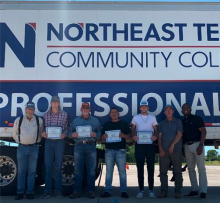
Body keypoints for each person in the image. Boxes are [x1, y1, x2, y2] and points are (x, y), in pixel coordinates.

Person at [69, 102, 101, 199]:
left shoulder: (95, 121)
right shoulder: (75, 121)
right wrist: (72, 135)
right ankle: (77, 191)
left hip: (91, 146)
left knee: (91, 170)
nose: (85, 109)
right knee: (78, 170)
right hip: (78, 146)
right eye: (84, 108)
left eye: (87, 108)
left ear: (90, 109)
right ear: (81, 109)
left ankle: (90, 191)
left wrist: (96, 135)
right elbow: (69, 131)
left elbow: (99, 132)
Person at [12, 101, 43, 200]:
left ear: (34, 110)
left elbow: (40, 133)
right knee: (21, 171)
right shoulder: (19, 120)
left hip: (34, 148)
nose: (30, 111)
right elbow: (14, 133)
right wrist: (20, 142)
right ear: (25, 110)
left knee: (32, 171)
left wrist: (36, 142)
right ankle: (20, 192)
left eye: (32, 109)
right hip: (22, 148)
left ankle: (30, 192)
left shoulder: (39, 120)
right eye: (29, 109)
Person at [40, 96, 68, 199]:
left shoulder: (64, 115)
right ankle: (46, 191)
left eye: (57, 102)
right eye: (53, 102)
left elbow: (66, 128)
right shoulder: (46, 115)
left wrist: (64, 134)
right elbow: (43, 128)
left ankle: (58, 191)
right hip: (48, 142)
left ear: (59, 104)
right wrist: (43, 133)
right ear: (51, 103)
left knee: (58, 168)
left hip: (59, 143)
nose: (55, 104)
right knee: (48, 168)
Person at [100, 107, 131, 198]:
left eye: (115, 112)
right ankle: (107, 190)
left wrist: (124, 136)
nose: (114, 114)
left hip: (121, 150)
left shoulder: (123, 124)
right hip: (109, 150)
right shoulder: (106, 124)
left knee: (122, 171)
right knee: (109, 171)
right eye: (112, 112)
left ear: (118, 114)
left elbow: (129, 135)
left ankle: (124, 191)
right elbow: (101, 138)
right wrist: (103, 137)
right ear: (110, 114)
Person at [131, 100, 158, 198]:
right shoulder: (135, 117)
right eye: (142, 107)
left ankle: (151, 190)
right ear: (140, 108)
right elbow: (132, 129)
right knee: (140, 168)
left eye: (145, 106)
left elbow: (156, 130)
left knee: (151, 167)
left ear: (148, 108)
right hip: (139, 145)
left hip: (150, 145)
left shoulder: (152, 117)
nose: (144, 108)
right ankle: (141, 190)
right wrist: (133, 136)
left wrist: (155, 136)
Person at [182, 103, 208, 200]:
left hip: (197, 145)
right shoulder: (183, 121)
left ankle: (203, 191)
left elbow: (203, 131)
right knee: (191, 170)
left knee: (201, 169)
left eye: (187, 108)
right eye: (184, 108)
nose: (185, 109)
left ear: (190, 109)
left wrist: (201, 145)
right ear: (182, 110)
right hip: (187, 146)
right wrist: (183, 149)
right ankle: (194, 190)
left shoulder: (197, 118)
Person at [158, 105, 183, 199]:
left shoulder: (178, 122)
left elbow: (179, 134)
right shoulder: (161, 123)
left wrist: (172, 145)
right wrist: (160, 148)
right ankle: (163, 191)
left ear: (173, 111)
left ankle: (178, 191)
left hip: (176, 150)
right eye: (166, 110)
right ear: (164, 113)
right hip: (164, 151)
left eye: (170, 110)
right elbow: (159, 136)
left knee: (177, 172)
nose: (168, 112)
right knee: (163, 172)